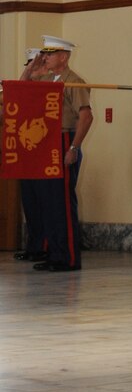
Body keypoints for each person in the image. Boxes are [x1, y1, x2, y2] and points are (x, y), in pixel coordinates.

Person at [24, 36, 93, 272]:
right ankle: (55, 253)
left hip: (64, 141)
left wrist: (73, 148)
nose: (46, 57)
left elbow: (86, 117)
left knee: (61, 203)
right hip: (47, 144)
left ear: (63, 57)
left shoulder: (73, 82)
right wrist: (33, 66)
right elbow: (23, 88)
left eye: (50, 54)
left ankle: (69, 257)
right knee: (48, 204)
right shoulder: (46, 79)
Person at [13, 48, 50, 263]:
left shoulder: (50, 87)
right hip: (29, 151)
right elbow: (17, 90)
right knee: (30, 201)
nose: (30, 70)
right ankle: (34, 245)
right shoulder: (27, 88)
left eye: (34, 65)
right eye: (28, 65)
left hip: (46, 150)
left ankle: (45, 246)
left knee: (46, 201)